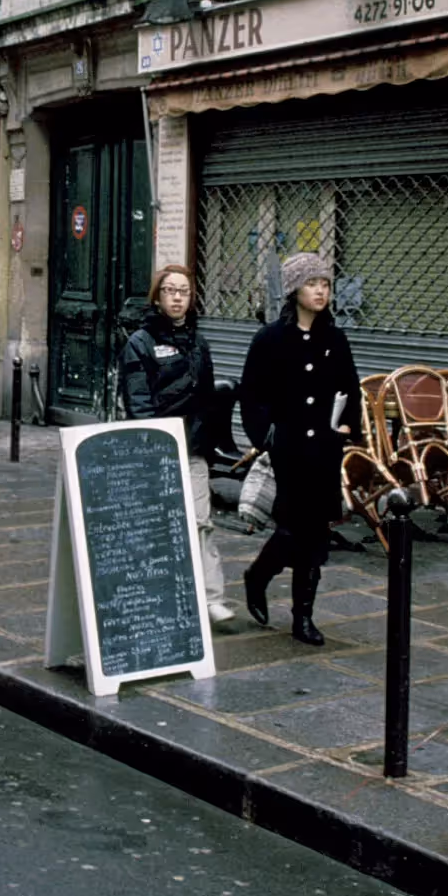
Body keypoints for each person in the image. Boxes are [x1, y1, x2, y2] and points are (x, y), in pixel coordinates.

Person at [238, 253, 361, 646]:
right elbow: (251, 395)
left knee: (316, 533)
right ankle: (259, 575)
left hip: (325, 450)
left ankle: (302, 617)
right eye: (312, 284)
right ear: (295, 291)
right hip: (289, 449)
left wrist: (348, 425)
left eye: (325, 284)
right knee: (292, 529)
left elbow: (351, 387)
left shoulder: (335, 339)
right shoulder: (270, 338)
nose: (321, 291)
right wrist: (265, 438)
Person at [120, 265, 232, 623]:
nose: (178, 297)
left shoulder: (200, 342)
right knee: (159, 526)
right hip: (158, 449)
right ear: (158, 296)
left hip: (194, 448)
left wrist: (208, 441)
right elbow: (138, 403)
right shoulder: (140, 342)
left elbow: (208, 398)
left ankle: (210, 597)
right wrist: (152, 444)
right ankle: (154, 594)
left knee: (200, 523)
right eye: (170, 290)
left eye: (184, 291)